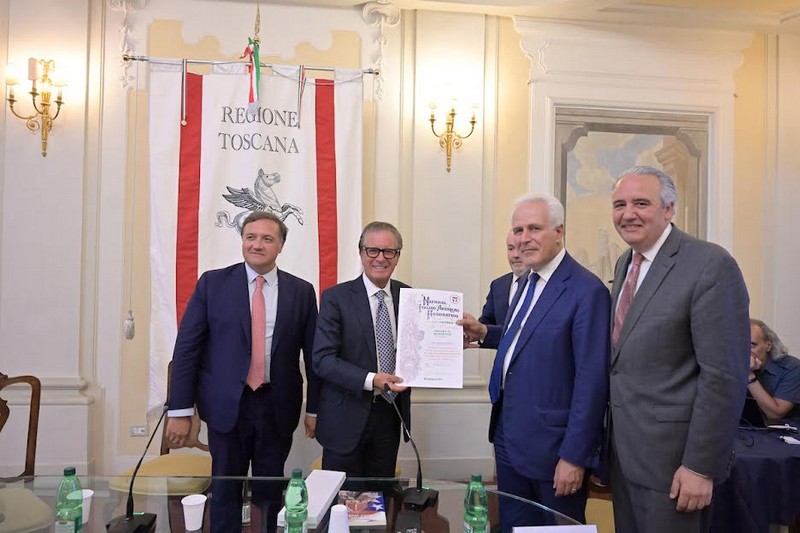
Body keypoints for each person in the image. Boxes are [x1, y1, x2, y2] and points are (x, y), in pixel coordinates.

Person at [608, 166, 750, 533]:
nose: (628, 214)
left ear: (669, 208)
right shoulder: (626, 263)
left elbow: (724, 376)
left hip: (675, 466)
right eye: (620, 205)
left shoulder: (710, 265)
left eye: (641, 203)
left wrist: (701, 467)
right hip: (624, 457)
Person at [460, 193, 610, 529]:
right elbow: (527, 337)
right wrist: (484, 333)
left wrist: (574, 456)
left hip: (554, 450)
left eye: (534, 228)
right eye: (518, 230)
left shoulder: (587, 291)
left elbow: (592, 383)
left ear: (559, 231)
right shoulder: (528, 281)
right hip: (509, 437)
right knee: (514, 525)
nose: (523, 239)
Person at [165, 211, 320, 533]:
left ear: (281, 246)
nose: (257, 245)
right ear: (242, 241)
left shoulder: (301, 292)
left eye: (267, 239)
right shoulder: (212, 284)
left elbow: (314, 357)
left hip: (276, 406)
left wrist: (314, 409)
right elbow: (187, 351)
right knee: (225, 491)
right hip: (225, 407)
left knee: (270, 494)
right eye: (251, 237)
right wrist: (180, 410)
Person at [313, 221, 410, 476]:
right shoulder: (336, 298)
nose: (380, 258)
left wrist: (449, 344)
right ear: (361, 253)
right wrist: (372, 380)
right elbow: (323, 360)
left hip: (390, 415)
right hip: (345, 417)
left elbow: (423, 346)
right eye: (372, 250)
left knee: (381, 492)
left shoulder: (410, 296)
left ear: (397, 256)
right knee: (343, 496)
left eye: (389, 251)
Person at [748, 318, 800, 421]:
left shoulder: (792, 368)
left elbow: (775, 414)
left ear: (768, 346)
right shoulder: (731, 364)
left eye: (752, 345)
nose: (745, 351)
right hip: (744, 426)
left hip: (783, 427)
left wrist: (749, 375)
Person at [478, 229, 528, 329]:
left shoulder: (542, 284)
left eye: (521, 249)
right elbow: (486, 323)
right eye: (511, 248)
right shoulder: (498, 285)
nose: (515, 255)